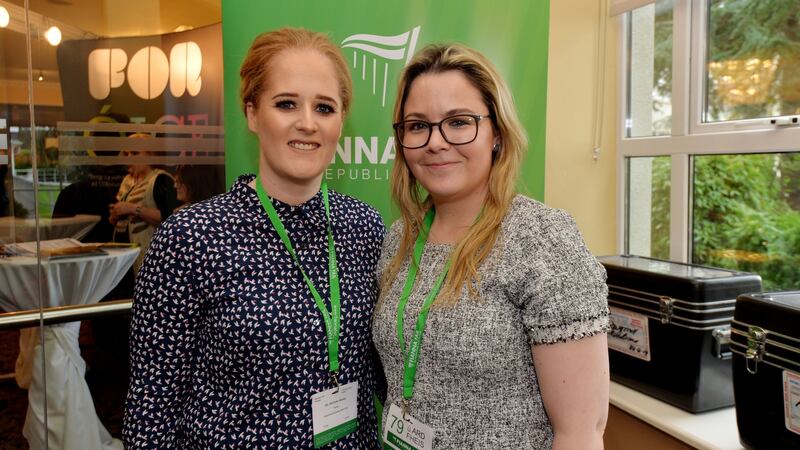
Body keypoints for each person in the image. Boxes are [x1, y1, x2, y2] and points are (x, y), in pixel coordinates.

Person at [123, 28, 386, 449]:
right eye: (286, 104)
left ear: (341, 120)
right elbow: (152, 407)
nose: (307, 123)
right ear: (251, 113)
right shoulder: (190, 237)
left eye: (324, 107)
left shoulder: (365, 228)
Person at [372, 44, 610, 449]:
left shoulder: (542, 238)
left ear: (496, 133)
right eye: (417, 126)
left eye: (459, 122)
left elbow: (581, 433)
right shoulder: (400, 238)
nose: (436, 142)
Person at [108, 133, 179, 274]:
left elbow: (170, 218)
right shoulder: (127, 181)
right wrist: (115, 215)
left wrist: (133, 209)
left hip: (149, 255)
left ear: (150, 156)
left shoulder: (160, 179)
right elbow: (113, 221)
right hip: (125, 257)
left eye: (134, 153)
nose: (128, 158)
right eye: (127, 153)